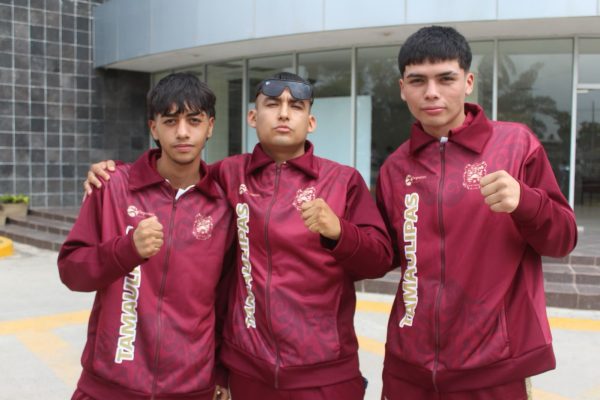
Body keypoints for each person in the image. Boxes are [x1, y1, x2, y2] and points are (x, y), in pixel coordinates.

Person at [84, 72, 393, 400]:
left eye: (296, 106)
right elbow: (175, 170)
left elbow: (380, 260)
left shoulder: (343, 181)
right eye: (272, 104)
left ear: (311, 122)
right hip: (247, 372)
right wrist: (114, 173)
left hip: (326, 373)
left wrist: (340, 232)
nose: (284, 114)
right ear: (252, 117)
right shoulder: (228, 174)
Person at [376, 26, 578, 399]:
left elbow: (563, 239)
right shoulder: (395, 168)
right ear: (403, 88)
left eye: (445, 78)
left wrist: (526, 202)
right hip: (408, 367)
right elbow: (382, 255)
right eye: (417, 80)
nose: (431, 92)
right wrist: (338, 234)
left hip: (493, 367)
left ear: (468, 82)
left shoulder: (516, 145)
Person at [58, 73, 234, 400]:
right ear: (153, 127)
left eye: (194, 121)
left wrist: (221, 371)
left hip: (190, 387)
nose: (182, 132)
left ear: (210, 126)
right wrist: (125, 251)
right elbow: (71, 271)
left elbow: (226, 299)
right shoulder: (112, 187)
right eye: (170, 121)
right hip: (108, 385)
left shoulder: (224, 206)